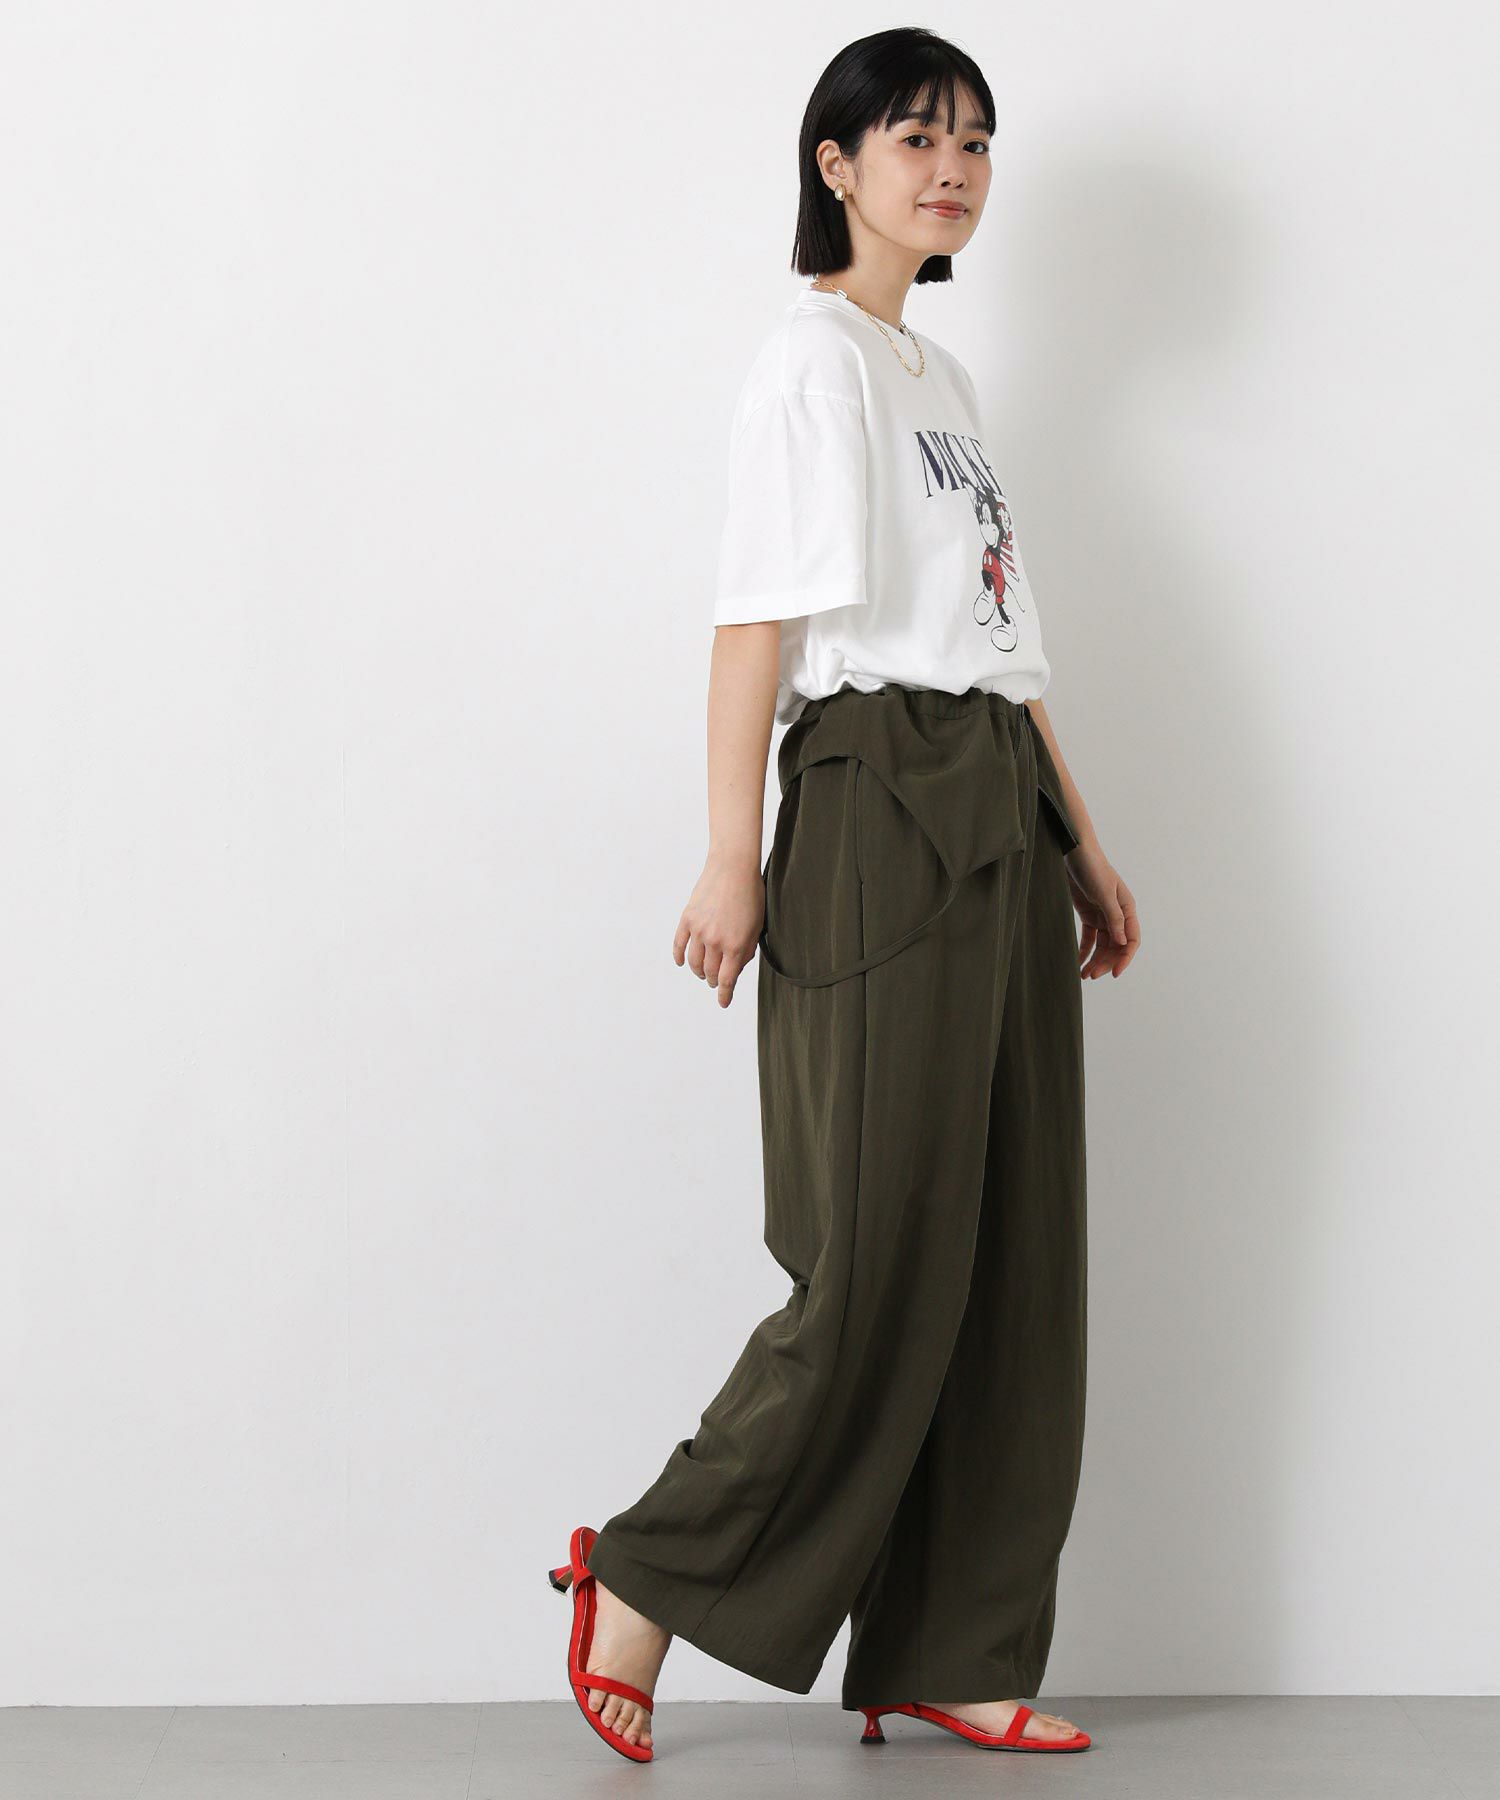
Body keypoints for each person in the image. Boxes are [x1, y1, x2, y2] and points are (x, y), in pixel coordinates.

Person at [546, 26, 1140, 1763]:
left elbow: (1002, 642)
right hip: (878, 796)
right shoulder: (812, 363)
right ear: (839, 165)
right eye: (916, 137)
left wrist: (1081, 839)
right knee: (872, 1257)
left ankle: (954, 1644)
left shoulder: (939, 378)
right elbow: (758, 623)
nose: (952, 169)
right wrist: (733, 851)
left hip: (997, 792)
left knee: (1014, 1255)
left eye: (976, 141)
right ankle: (644, 1575)